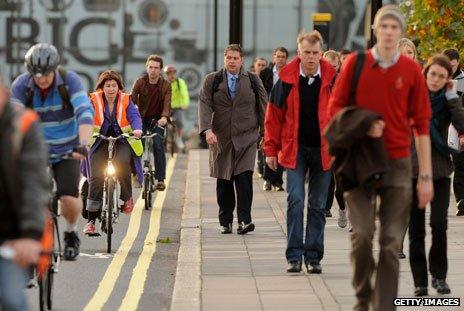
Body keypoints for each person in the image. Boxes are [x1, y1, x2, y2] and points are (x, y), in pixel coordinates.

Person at [328, 5, 433, 311]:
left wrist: (425, 176)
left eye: (394, 27)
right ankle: (363, 298)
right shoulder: (355, 65)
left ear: (400, 33)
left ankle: (384, 305)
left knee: (389, 245)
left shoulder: (411, 71)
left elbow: (421, 126)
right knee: (361, 236)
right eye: (383, 26)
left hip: (398, 162)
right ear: (375, 30)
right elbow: (335, 111)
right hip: (360, 161)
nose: (388, 31)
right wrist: (363, 124)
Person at [11, 43, 94, 261]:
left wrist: (83, 143)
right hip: (35, 151)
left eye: (46, 74)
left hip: (68, 149)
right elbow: (13, 121)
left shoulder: (69, 82)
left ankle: (70, 232)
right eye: (37, 75)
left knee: (68, 198)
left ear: (55, 68)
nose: (42, 79)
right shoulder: (22, 86)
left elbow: (84, 112)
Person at [264, 31, 336, 274]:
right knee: (295, 199)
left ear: (321, 53)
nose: (311, 58)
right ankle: (294, 255)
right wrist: (270, 151)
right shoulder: (284, 80)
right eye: (307, 53)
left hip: (324, 151)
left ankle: (313, 256)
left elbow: (343, 116)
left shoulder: (333, 79)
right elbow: (273, 118)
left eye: (316, 53)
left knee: (317, 205)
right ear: (299, 53)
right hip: (295, 150)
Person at [409, 55, 464, 296]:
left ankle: (439, 276)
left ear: (447, 81)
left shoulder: (447, 101)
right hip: (413, 169)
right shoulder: (412, 97)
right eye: (433, 74)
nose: (436, 80)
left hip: (440, 169)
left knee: (439, 224)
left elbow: (462, 124)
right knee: (416, 228)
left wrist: (453, 99)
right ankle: (420, 280)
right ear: (426, 73)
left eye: (442, 77)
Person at [198, 44, 267, 235]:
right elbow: (204, 104)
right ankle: (225, 220)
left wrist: (265, 133)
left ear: (242, 60)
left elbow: (263, 106)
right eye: (229, 57)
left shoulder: (253, 80)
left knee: (244, 178)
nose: (232, 61)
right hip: (221, 138)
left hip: (247, 137)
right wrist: (206, 130)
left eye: (236, 58)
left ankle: (244, 220)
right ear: (224, 58)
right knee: (224, 180)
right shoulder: (212, 80)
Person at [0, 74, 48, 310]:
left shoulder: (23, 126)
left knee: (11, 299)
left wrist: (30, 234)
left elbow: (33, 183)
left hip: (10, 234)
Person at [83, 70, 143, 235]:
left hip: (121, 140)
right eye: (107, 86)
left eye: (113, 86)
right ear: (102, 88)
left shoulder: (126, 99)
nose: (110, 89)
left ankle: (127, 198)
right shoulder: (94, 100)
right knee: (96, 177)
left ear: (119, 87)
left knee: (122, 163)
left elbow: (134, 115)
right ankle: (91, 220)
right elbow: (86, 115)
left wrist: (137, 129)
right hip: (99, 141)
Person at [131, 54, 171, 191]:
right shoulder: (140, 82)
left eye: (156, 68)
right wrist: (131, 114)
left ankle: (160, 179)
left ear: (160, 70)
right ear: (147, 68)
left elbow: (167, 103)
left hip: (157, 120)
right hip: (140, 119)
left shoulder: (165, 85)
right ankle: (135, 173)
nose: (153, 70)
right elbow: (131, 101)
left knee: (158, 146)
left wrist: (164, 117)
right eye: (150, 67)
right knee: (137, 144)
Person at [397, 37, 419, 259]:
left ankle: (401, 244)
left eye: (410, 53)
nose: (407, 57)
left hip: (415, 147)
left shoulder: (422, 81)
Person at [322, 49, 347, 228]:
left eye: (334, 66)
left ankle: (344, 208)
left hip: (341, 137)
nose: (331, 69)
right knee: (323, 178)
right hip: (321, 138)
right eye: (327, 66)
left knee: (341, 181)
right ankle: (323, 208)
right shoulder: (316, 82)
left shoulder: (344, 83)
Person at [259, 47, 289, 191]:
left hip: (284, 114)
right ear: (274, 57)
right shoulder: (265, 73)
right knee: (268, 145)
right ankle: (268, 179)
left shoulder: (290, 74)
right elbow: (259, 92)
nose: (281, 59)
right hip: (267, 113)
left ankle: (277, 181)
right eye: (278, 56)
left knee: (280, 148)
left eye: (283, 56)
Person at [443, 48, 464, 216]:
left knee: (460, 162)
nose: (451, 68)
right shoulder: (438, 79)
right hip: (442, 127)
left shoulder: (463, 81)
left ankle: (461, 200)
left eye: (454, 65)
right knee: (450, 163)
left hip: (459, 126)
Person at [163, 64, 190, 151]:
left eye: (173, 73)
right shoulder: (164, 83)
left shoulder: (180, 82)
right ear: (166, 74)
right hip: (167, 107)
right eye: (169, 73)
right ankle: (164, 140)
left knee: (179, 122)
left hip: (177, 107)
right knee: (163, 123)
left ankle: (179, 138)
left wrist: (185, 104)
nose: (171, 75)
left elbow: (184, 94)